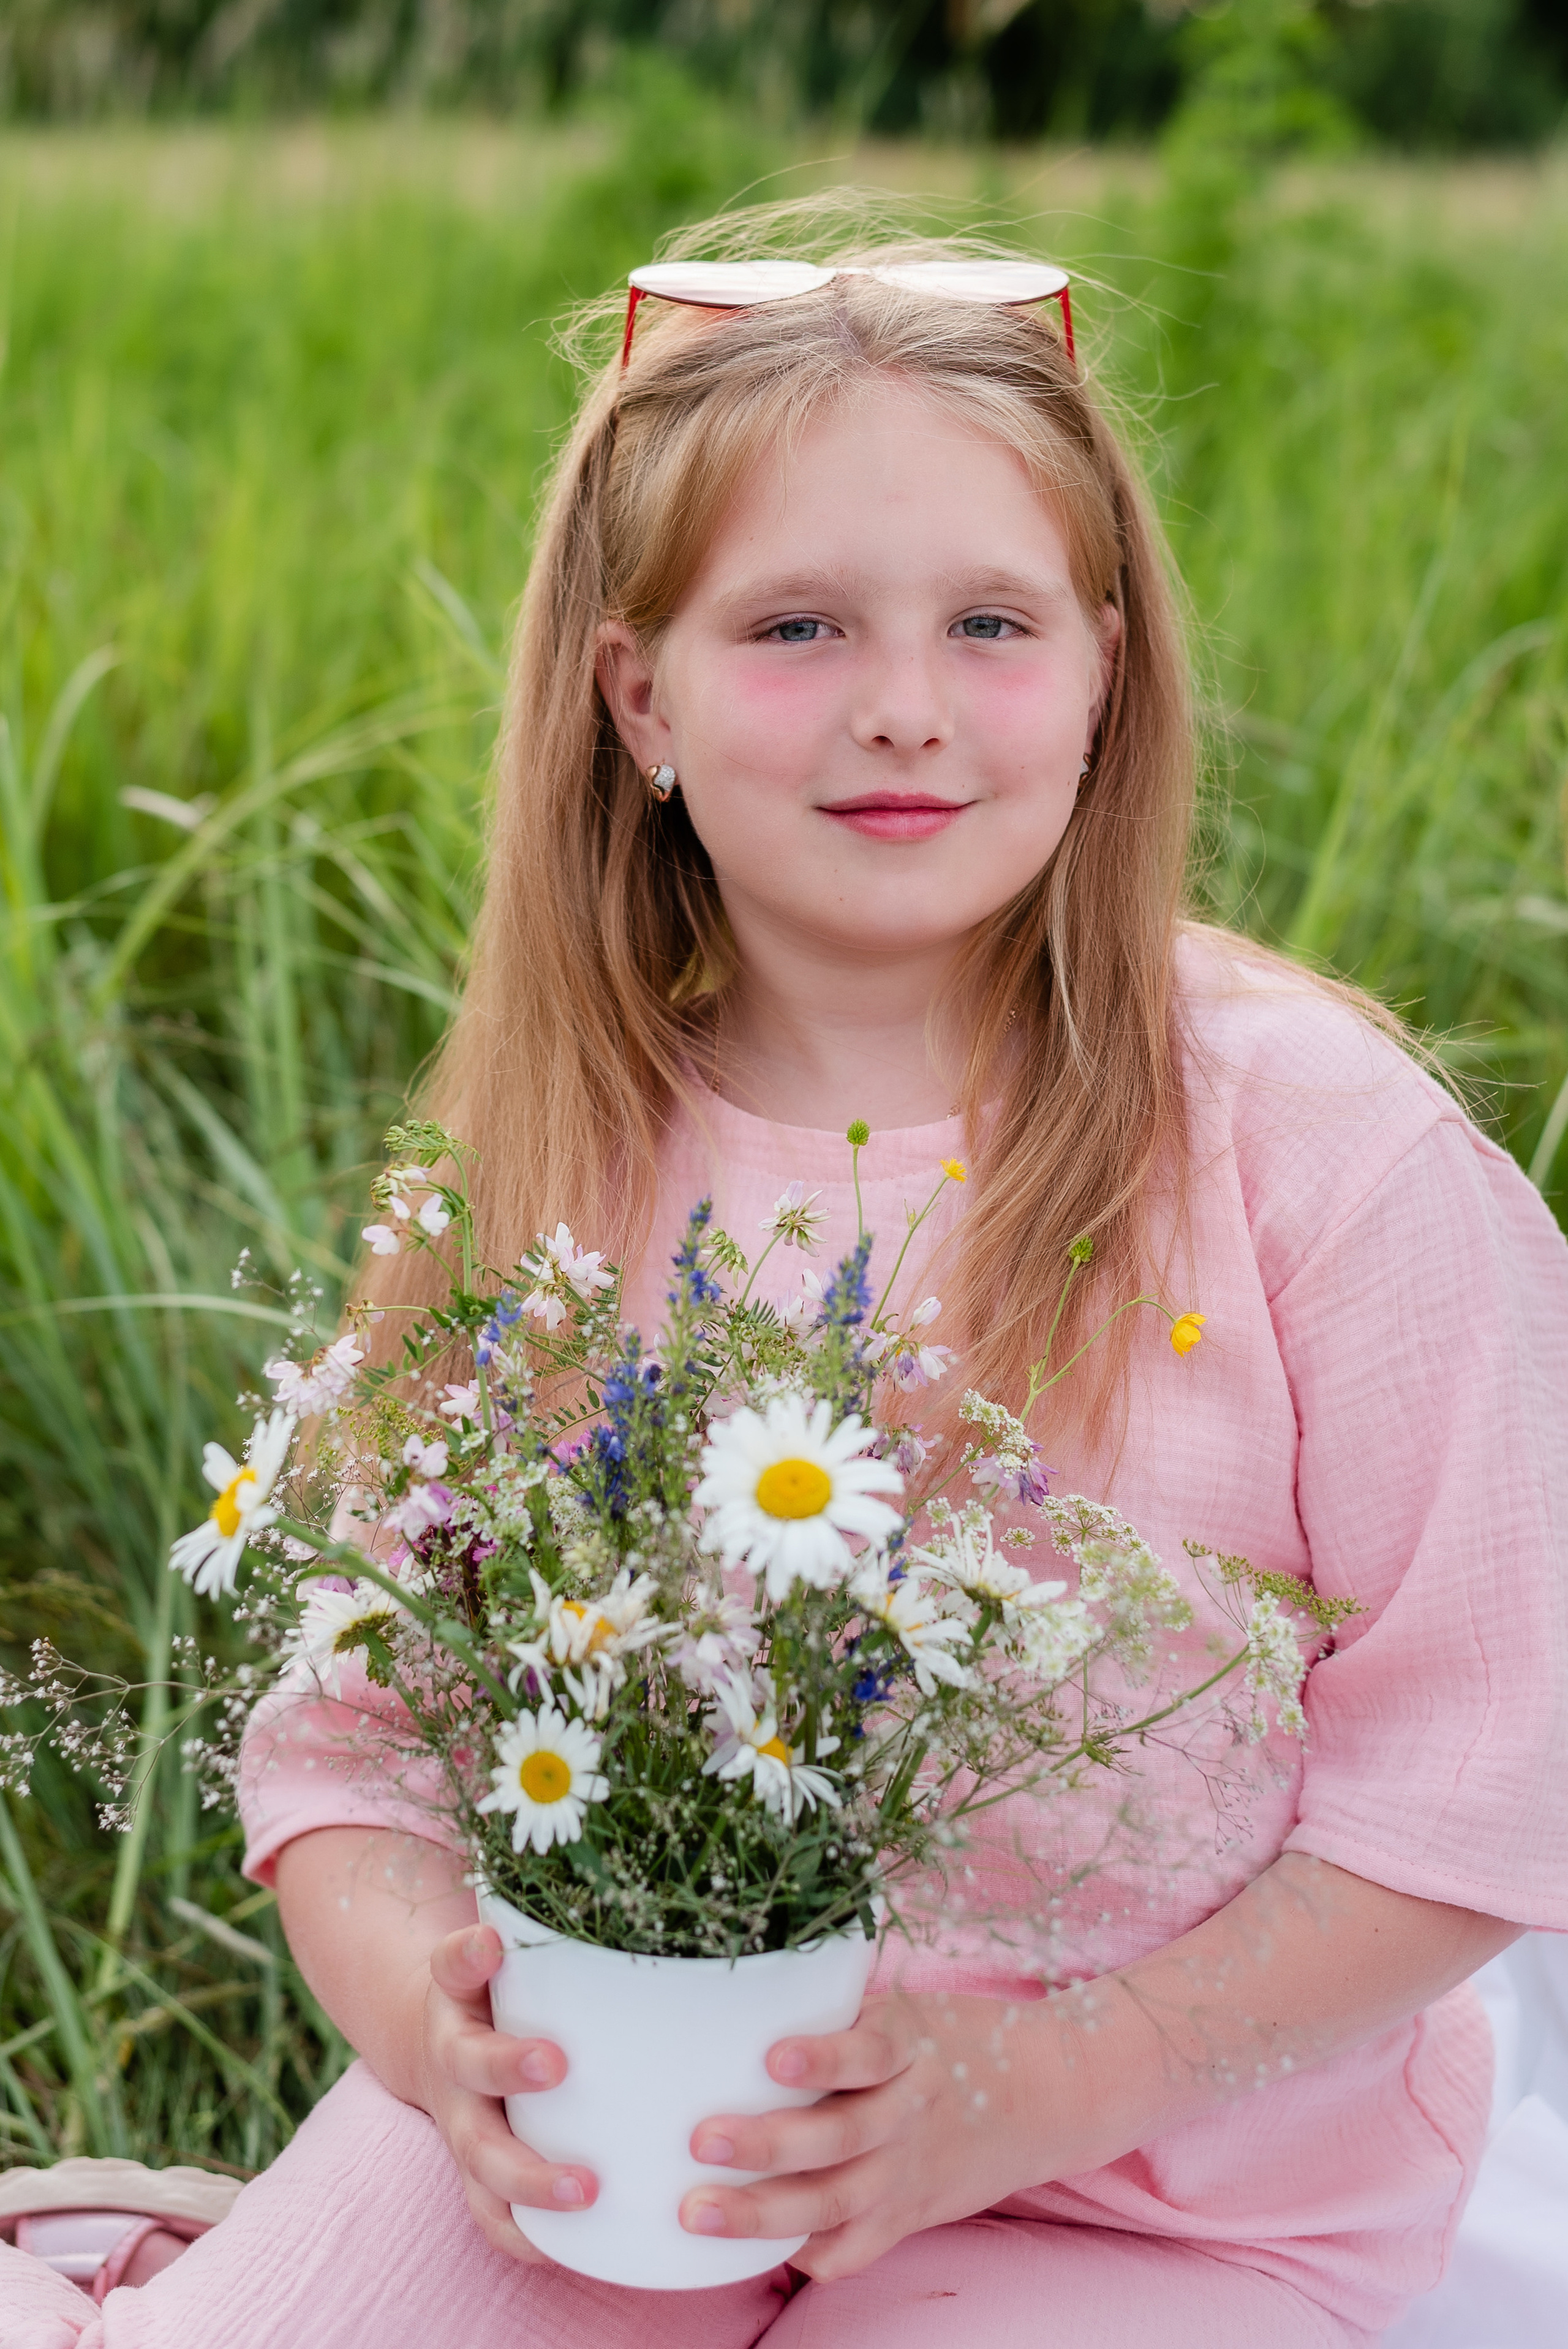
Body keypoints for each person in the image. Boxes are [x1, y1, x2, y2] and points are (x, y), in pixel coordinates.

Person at [6, 200, 1564, 2349]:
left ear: (1109, 670)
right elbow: (357, 1743)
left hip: (1157, 2198)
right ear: (638, 691)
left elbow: (1499, 1769)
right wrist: (427, 2017)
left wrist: (1045, 2079)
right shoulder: (556, 1159)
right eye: (799, 628)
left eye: (995, 626)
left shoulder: (1321, 1149)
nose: (905, 710)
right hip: (631, 2142)